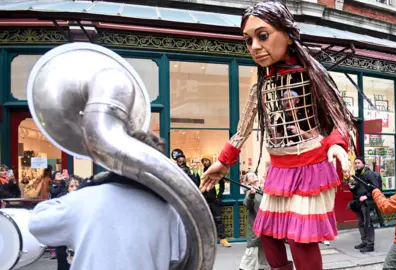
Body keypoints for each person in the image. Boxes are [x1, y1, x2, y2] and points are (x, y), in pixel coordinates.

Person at [200, 1, 354, 269]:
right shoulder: (261, 85)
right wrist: (223, 162)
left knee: (300, 240)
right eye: (248, 41)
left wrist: (337, 145)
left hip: (311, 165)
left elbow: (337, 117)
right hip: (279, 168)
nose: (255, 47)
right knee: (268, 234)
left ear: (287, 33)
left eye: (262, 36)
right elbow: (243, 128)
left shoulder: (313, 76)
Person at [28, 131, 186, 270]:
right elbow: (181, 259)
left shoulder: (86, 199)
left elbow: (37, 223)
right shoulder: (169, 211)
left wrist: (89, 184)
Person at [239, 171, 269, 270]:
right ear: (248, 182)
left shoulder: (263, 190)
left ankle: (263, 268)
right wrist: (251, 194)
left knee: (264, 250)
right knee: (251, 251)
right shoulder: (249, 192)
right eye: (250, 176)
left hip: (265, 225)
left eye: (253, 174)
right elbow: (247, 205)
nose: (253, 176)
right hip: (255, 226)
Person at [349, 157, 379, 253]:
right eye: (355, 163)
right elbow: (357, 189)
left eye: (358, 163)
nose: (357, 164)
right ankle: (364, 241)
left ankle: (370, 244)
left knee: (368, 223)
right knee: (361, 223)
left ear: (363, 163)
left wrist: (367, 196)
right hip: (358, 202)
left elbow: (376, 188)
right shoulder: (357, 175)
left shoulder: (368, 174)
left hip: (367, 202)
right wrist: (352, 188)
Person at [201, 157, 231, 247]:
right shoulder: (200, 172)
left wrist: (219, 196)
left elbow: (221, 185)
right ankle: (207, 240)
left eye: (207, 160)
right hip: (204, 200)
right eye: (204, 161)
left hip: (214, 200)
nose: (206, 162)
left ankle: (223, 239)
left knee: (218, 220)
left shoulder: (216, 172)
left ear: (210, 161)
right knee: (205, 221)